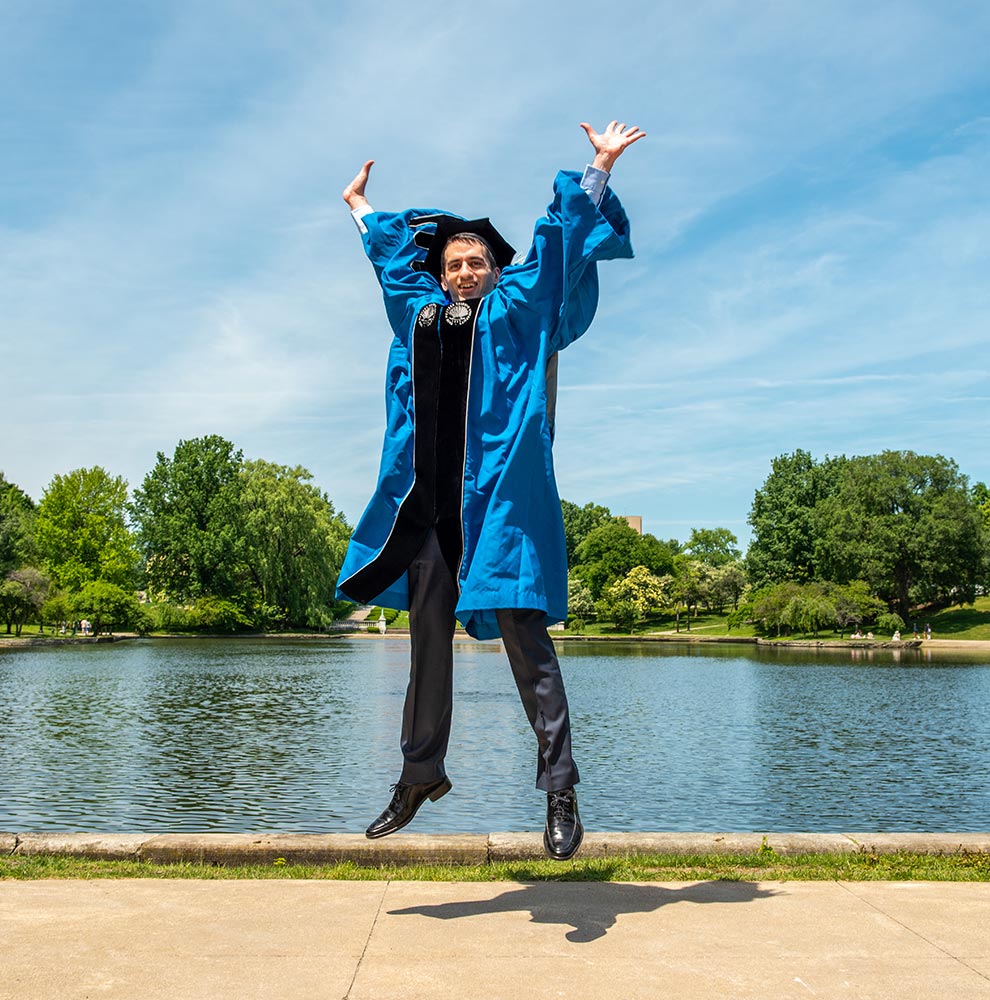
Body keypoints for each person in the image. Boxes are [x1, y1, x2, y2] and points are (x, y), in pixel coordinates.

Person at [336, 120, 644, 860]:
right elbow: (390, 265)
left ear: (494, 272)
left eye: (477, 261)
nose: (467, 270)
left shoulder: (516, 312)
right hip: (428, 511)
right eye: (456, 262)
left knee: (526, 646)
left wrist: (596, 167)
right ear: (440, 274)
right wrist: (359, 211)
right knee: (425, 643)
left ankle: (560, 788)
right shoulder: (418, 315)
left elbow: (557, 242)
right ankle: (419, 775)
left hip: (497, 506)